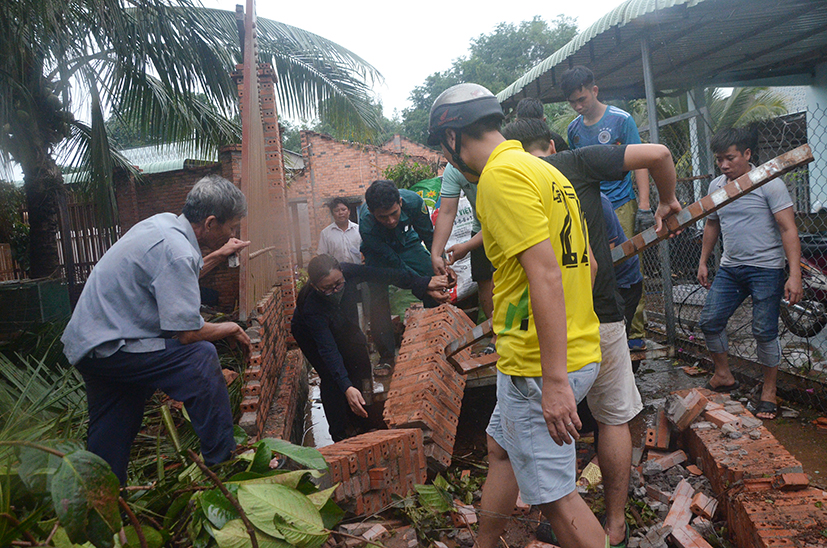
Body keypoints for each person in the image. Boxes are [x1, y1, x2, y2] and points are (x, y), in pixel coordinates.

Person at [429, 82, 606, 548]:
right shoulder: (544, 170)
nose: (448, 162)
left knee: (557, 498)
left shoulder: (498, 178)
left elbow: (546, 275)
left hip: (538, 366)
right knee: (500, 449)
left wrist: (553, 379)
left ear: (452, 138)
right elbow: (585, 265)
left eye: (444, 152)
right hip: (567, 349)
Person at [502, 116, 680, 547]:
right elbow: (658, 154)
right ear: (549, 141)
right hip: (601, 313)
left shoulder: (511, 182)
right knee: (613, 416)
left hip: (544, 326)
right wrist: (667, 201)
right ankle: (613, 526)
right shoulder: (577, 163)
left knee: (548, 423)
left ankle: (569, 521)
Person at [61, 174, 252, 484]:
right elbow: (187, 334)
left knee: (114, 424)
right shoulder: (177, 250)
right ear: (212, 222)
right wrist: (229, 327)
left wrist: (219, 254)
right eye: (231, 227)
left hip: (93, 345)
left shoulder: (165, 225)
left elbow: (176, 277)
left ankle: (102, 505)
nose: (234, 233)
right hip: (115, 346)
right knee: (199, 358)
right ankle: (223, 465)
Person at [697, 127, 802, 420]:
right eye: (719, 160)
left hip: (767, 268)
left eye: (730, 158)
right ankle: (723, 375)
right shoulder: (717, 186)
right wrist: (704, 261)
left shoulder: (769, 183)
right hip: (730, 267)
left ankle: (769, 391)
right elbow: (712, 225)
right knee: (710, 320)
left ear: (747, 154)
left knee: (764, 331)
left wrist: (794, 274)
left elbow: (788, 229)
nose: (724, 165)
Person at [291, 254, 449, 441]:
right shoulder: (311, 307)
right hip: (310, 334)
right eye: (327, 288)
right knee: (332, 377)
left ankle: (362, 419)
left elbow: (382, 274)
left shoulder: (348, 271)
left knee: (359, 358)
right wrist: (346, 386)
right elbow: (328, 350)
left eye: (339, 284)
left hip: (342, 320)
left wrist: (421, 283)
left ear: (342, 273)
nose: (335, 291)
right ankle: (340, 433)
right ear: (315, 287)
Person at [562, 65, 651, 350]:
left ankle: (635, 332)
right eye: (572, 102)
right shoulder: (573, 130)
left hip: (621, 203)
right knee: (595, 268)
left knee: (626, 264)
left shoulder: (620, 120)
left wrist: (645, 206)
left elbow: (641, 161)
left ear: (594, 91)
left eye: (582, 99)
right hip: (589, 206)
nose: (578, 106)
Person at [359, 180, 442, 374]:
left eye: (394, 214)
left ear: (401, 202)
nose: (390, 221)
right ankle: (387, 356)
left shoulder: (415, 202)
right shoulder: (367, 225)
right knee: (378, 297)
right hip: (378, 254)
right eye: (383, 217)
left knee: (432, 276)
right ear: (372, 213)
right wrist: (422, 283)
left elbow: (429, 237)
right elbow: (395, 264)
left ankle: (436, 337)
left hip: (408, 243)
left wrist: (440, 264)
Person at [431, 163, 496, 354]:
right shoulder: (453, 169)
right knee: (484, 280)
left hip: (507, 223)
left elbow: (501, 218)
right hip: (479, 228)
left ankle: (509, 334)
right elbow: (447, 211)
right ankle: (496, 332)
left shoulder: (495, 161)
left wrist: (467, 246)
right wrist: (436, 253)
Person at [317, 197, 362, 264]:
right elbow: (322, 256)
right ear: (332, 214)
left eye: (343, 209)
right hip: (337, 272)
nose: (340, 213)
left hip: (357, 270)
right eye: (336, 210)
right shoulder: (326, 233)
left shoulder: (358, 230)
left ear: (349, 211)